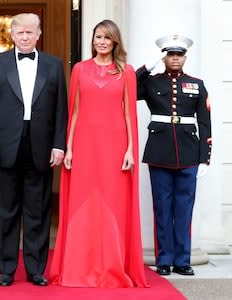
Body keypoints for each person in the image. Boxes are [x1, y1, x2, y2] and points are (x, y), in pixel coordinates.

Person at [49, 19, 149, 287]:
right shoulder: (80, 69)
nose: (101, 42)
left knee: (112, 204)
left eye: (106, 37)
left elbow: (129, 113)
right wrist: (68, 148)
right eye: (97, 37)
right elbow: (75, 111)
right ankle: (79, 267)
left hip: (115, 146)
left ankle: (112, 267)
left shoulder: (126, 71)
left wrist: (130, 148)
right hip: (84, 145)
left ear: (115, 41)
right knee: (84, 204)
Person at [0, 13, 67, 287]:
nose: (25, 37)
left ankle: (35, 270)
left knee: (37, 212)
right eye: (20, 33)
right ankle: (6, 269)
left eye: (30, 33)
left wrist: (59, 145)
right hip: (4, 147)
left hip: (40, 147)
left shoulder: (53, 65)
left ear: (38, 35)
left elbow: (61, 109)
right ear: (12, 35)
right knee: (5, 211)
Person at [136, 35, 212, 276]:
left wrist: (204, 158)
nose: (175, 58)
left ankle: (182, 260)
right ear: (164, 57)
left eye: (179, 54)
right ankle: (164, 260)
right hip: (159, 152)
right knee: (162, 208)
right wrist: (147, 67)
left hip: (189, 153)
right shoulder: (151, 83)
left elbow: (205, 123)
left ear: (185, 57)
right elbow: (126, 87)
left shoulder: (197, 84)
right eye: (170, 54)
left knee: (184, 209)